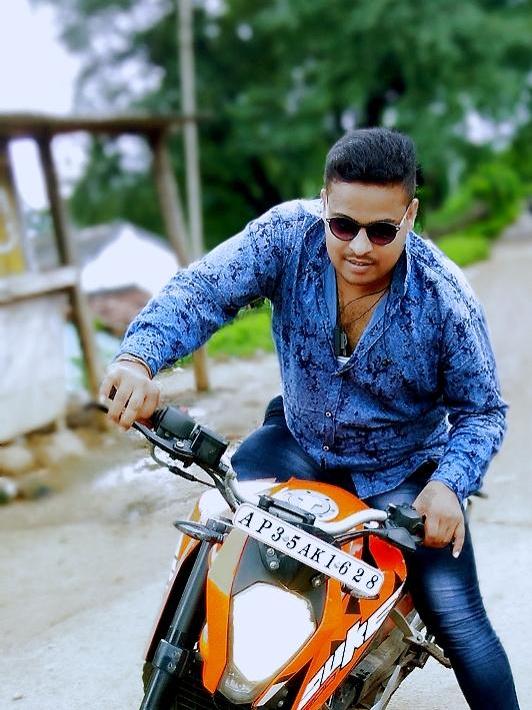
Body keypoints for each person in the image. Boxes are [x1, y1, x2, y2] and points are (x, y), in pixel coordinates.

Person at [100, 128, 519, 709]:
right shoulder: (285, 236)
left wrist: (450, 484)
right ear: (324, 203)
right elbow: (201, 291)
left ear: (411, 215)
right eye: (343, 225)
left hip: (402, 471)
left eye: (382, 230)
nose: (360, 247)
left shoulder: (444, 298)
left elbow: (483, 411)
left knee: (461, 622)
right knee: (216, 535)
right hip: (297, 441)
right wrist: (137, 359)